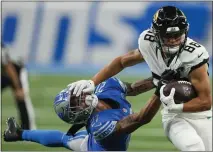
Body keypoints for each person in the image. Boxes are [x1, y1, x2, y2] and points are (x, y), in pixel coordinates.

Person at [67, 6, 212, 151]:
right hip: (174, 116)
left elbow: (206, 102)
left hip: (201, 114)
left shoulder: (194, 55)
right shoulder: (149, 43)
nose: (173, 40)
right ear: (156, 35)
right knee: (194, 147)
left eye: (178, 35)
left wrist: (177, 105)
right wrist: (92, 82)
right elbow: (121, 62)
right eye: (168, 37)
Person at [4, 77, 160, 151]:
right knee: (66, 140)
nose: (80, 97)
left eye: (74, 96)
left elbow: (132, 88)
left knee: (64, 138)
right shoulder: (99, 125)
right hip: (97, 148)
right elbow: (141, 118)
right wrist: (160, 92)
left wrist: (158, 80)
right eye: (75, 103)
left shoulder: (106, 86)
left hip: (102, 134)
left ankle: (18, 133)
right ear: (79, 114)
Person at [1, 43, 36, 130]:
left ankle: (28, 128)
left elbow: (9, 68)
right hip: (4, 73)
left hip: (17, 72)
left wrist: (18, 88)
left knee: (22, 98)